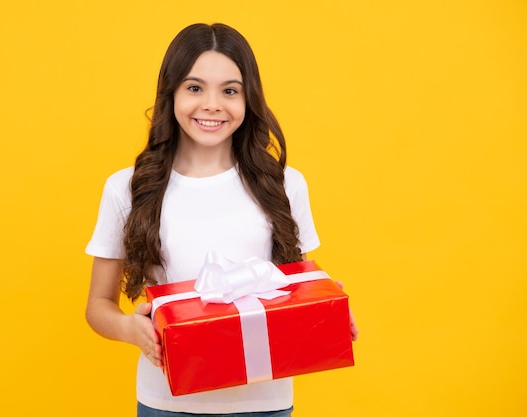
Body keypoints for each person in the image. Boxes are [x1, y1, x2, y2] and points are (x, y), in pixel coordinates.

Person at [85, 23, 358, 417]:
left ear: (249, 99)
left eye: (230, 90)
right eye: (195, 88)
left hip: (267, 400)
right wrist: (132, 330)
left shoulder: (284, 184)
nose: (212, 104)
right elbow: (98, 305)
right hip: (167, 402)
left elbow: (295, 285)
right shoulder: (126, 188)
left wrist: (327, 304)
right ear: (171, 93)